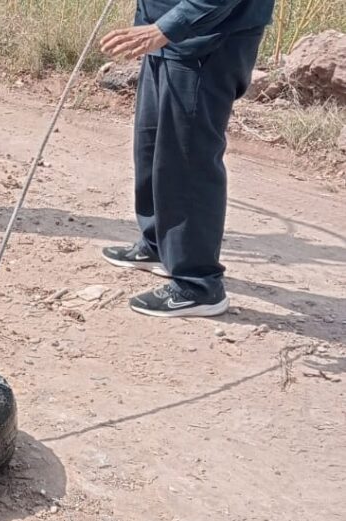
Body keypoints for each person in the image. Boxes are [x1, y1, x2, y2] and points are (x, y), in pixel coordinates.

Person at [99, 0, 275, 318]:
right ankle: (159, 245)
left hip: (206, 40)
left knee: (188, 160)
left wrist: (168, 27)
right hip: (162, 36)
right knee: (152, 147)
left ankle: (198, 284)